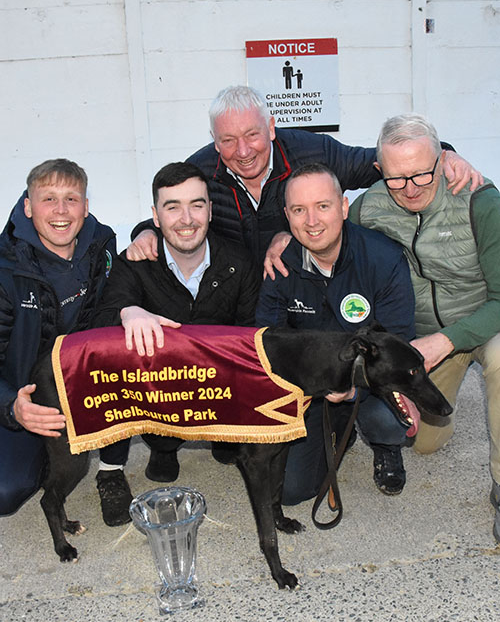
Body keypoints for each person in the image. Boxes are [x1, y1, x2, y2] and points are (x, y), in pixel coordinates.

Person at [347, 114, 500, 542]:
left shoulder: (479, 200)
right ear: (380, 171)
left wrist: (448, 339)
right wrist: (287, 239)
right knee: (425, 442)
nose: (411, 188)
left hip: (484, 322)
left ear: (442, 159)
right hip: (425, 337)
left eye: (422, 173)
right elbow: (326, 236)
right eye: (397, 178)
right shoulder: (370, 206)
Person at [127, 85, 482, 268]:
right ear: (215, 142)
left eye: (252, 135)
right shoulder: (201, 170)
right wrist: (144, 232)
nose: (244, 151)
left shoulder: (314, 153)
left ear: (270, 127)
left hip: (303, 288)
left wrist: (444, 153)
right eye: (228, 141)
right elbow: (173, 215)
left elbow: (384, 163)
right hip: (238, 301)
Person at [92, 162, 260, 526]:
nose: (186, 218)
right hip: (160, 393)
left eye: (196, 205)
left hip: (217, 386)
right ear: (155, 215)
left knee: (234, 443)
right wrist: (128, 310)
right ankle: (162, 446)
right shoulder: (135, 262)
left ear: (210, 210)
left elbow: (252, 336)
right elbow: (99, 321)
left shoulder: (240, 263)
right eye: (172, 207)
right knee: (113, 359)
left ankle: (222, 436)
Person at [255, 162, 416, 505]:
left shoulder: (383, 258)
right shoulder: (279, 265)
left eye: (323, 206)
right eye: (299, 210)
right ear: (287, 215)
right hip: (313, 389)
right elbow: (266, 343)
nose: (312, 221)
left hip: (371, 383)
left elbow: (398, 345)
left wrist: (353, 389)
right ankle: (339, 428)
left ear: (343, 207)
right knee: (291, 492)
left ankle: (386, 447)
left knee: (389, 420)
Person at [0, 159, 115, 515]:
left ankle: (106, 468)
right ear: (28, 206)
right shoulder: (6, 270)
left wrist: (146, 234)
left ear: (86, 206)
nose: (61, 210)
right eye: (49, 199)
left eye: (71, 198)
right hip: (27, 397)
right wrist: (11, 405)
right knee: (6, 493)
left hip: (85, 386)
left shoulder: (103, 246)